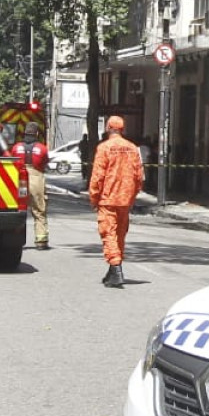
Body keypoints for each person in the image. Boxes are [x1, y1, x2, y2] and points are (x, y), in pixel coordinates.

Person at [88, 116, 143, 288]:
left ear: (108, 128)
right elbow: (139, 176)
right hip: (125, 199)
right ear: (122, 129)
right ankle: (113, 269)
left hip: (108, 198)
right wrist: (133, 196)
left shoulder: (104, 148)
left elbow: (98, 176)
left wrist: (94, 197)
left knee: (108, 233)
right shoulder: (133, 148)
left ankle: (115, 266)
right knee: (120, 234)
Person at [12, 122, 51, 250]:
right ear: (37, 134)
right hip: (36, 177)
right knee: (39, 210)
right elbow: (44, 162)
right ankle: (41, 241)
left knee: (16, 210)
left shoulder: (16, 147)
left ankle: (12, 239)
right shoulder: (42, 148)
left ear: (24, 133)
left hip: (19, 178)